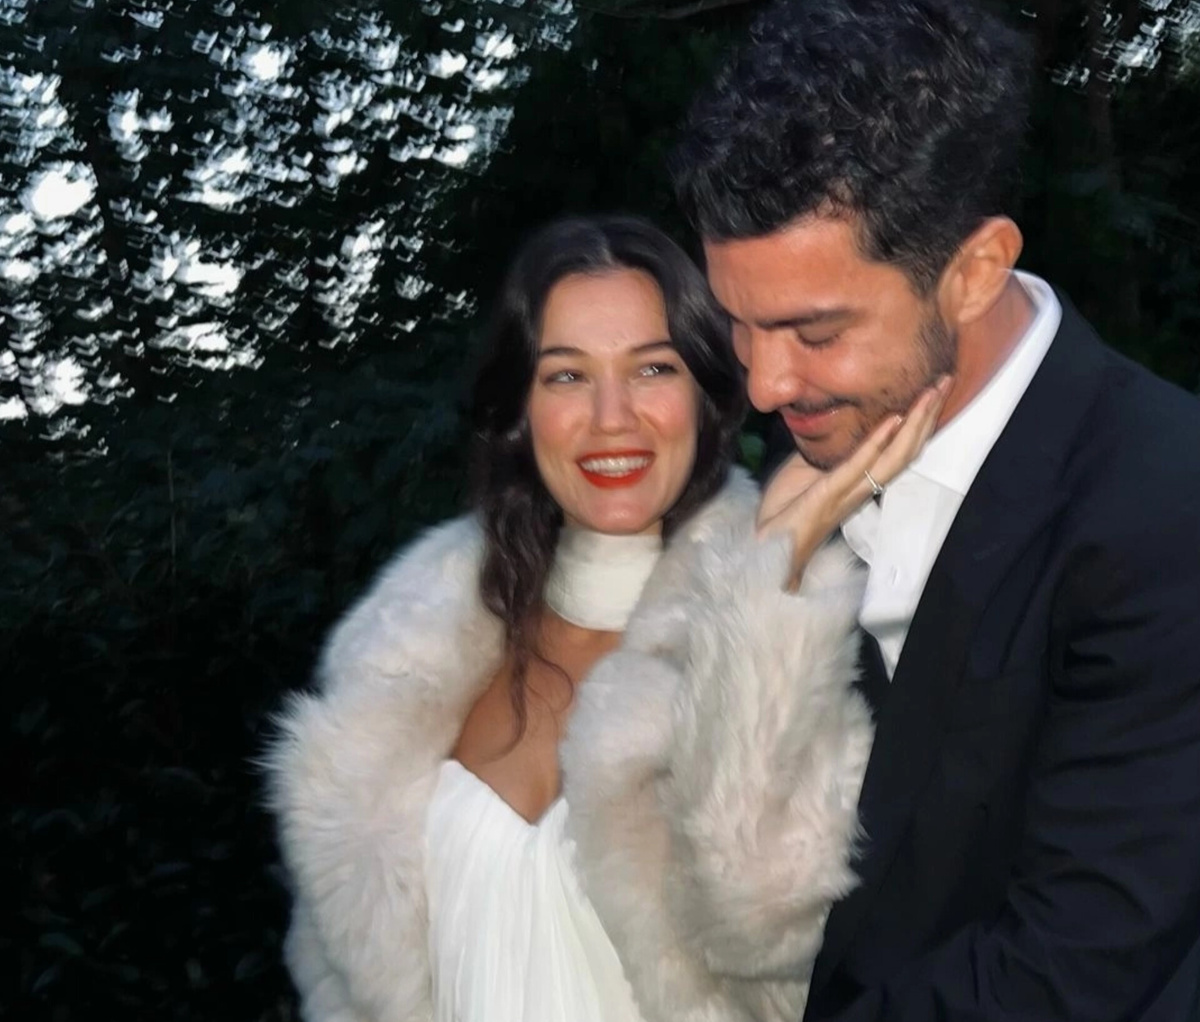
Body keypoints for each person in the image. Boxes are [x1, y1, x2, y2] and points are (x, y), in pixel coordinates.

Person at [264, 214, 945, 1022]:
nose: (611, 416)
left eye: (652, 368)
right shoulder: (395, 661)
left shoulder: (795, 645)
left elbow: (782, 949)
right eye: (566, 376)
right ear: (521, 408)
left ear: (704, 395)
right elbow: (341, 984)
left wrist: (767, 595)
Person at [668, 1, 1200, 1020]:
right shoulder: (805, 452)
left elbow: (1067, 969)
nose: (766, 384)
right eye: (737, 322)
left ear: (975, 272)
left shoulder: (1165, 506)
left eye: (814, 331)